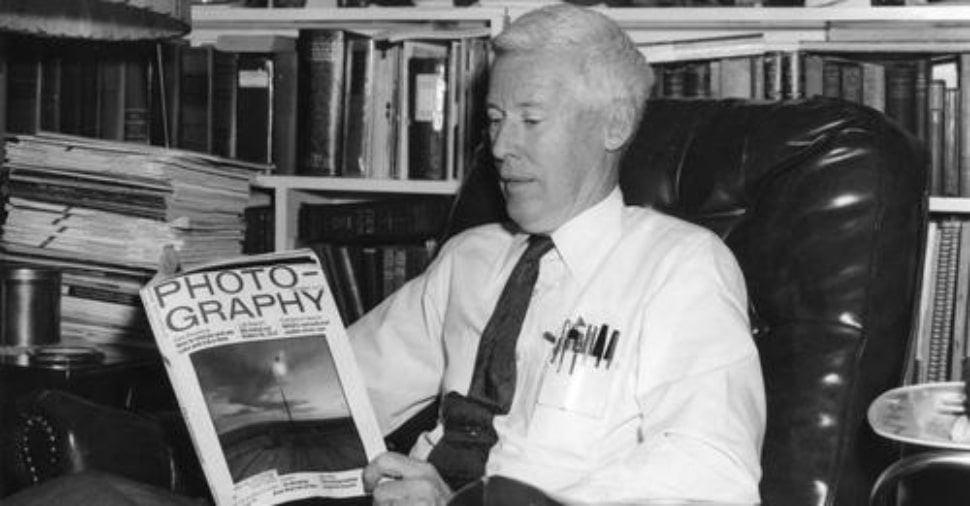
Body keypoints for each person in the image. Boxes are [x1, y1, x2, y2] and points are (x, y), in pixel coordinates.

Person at [350, 4, 766, 505]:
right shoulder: (469, 258)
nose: (501, 146)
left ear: (614, 125)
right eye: (495, 119)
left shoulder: (680, 267)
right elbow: (347, 393)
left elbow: (711, 475)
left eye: (531, 119)